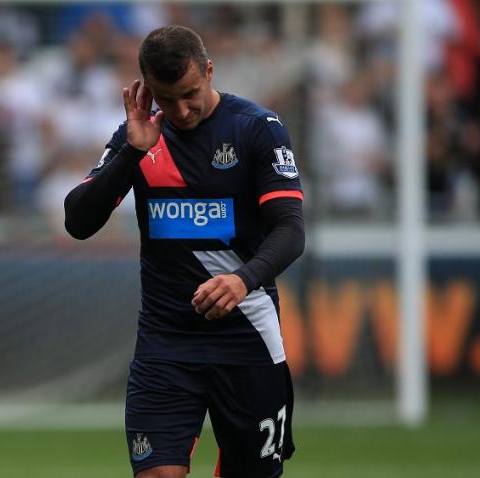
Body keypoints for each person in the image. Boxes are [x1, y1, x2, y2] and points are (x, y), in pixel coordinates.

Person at [64, 25, 304, 478]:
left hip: (246, 339)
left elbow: (290, 230)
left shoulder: (257, 129)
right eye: (165, 98)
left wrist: (242, 279)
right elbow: (77, 222)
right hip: (165, 344)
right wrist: (131, 154)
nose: (180, 110)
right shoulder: (138, 139)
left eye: (190, 93)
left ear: (209, 71)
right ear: (146, 90)